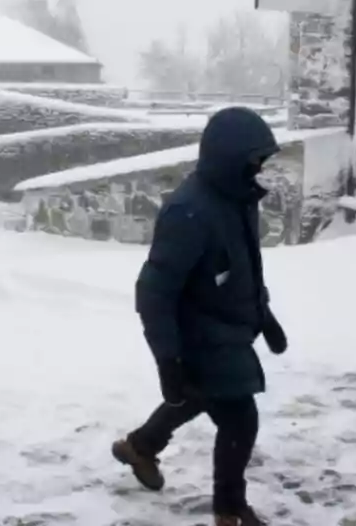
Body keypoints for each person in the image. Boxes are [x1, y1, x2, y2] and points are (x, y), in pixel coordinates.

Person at [111, 106, 288, 526]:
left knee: (197, 395)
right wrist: (167, 358)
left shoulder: (238, 199)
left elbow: (242, 267)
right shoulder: (189, 211)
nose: (259, 168)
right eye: (254, 160)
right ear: (229, 158)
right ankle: (230, 511)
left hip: (227, 329)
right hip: (199, 335)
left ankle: (140, 446)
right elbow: (153, 291)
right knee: (240, 420)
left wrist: (265, 317)